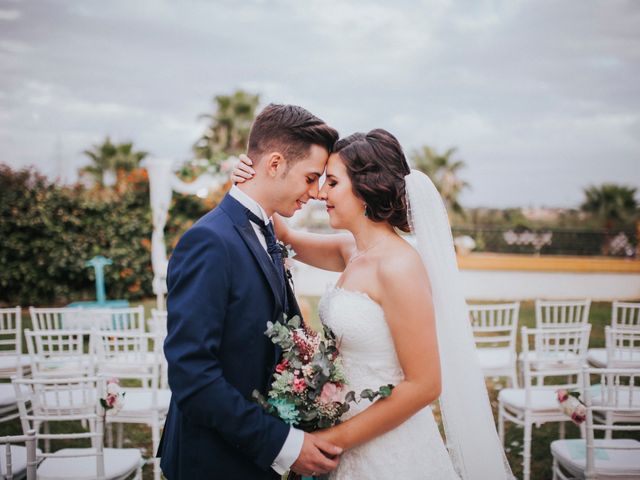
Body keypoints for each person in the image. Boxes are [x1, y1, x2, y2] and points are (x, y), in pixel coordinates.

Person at [232, 129, 513, 479]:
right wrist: (254, 174)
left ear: (365, 189)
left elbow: (424, 385)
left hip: (387, 450)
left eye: (332, 183)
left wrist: (329, 440)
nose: (320, 193)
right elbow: (284, 234)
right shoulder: (352, 251)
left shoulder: (398, 267)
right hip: (344, 433)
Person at [158, 104, 343, 480]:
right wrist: (284, 445)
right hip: (212, 462)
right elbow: (192, 377)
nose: (314, 193)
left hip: (250, 461)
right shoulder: (209, 241)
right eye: (310, 178)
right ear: (274, 164)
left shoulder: (266, 230)